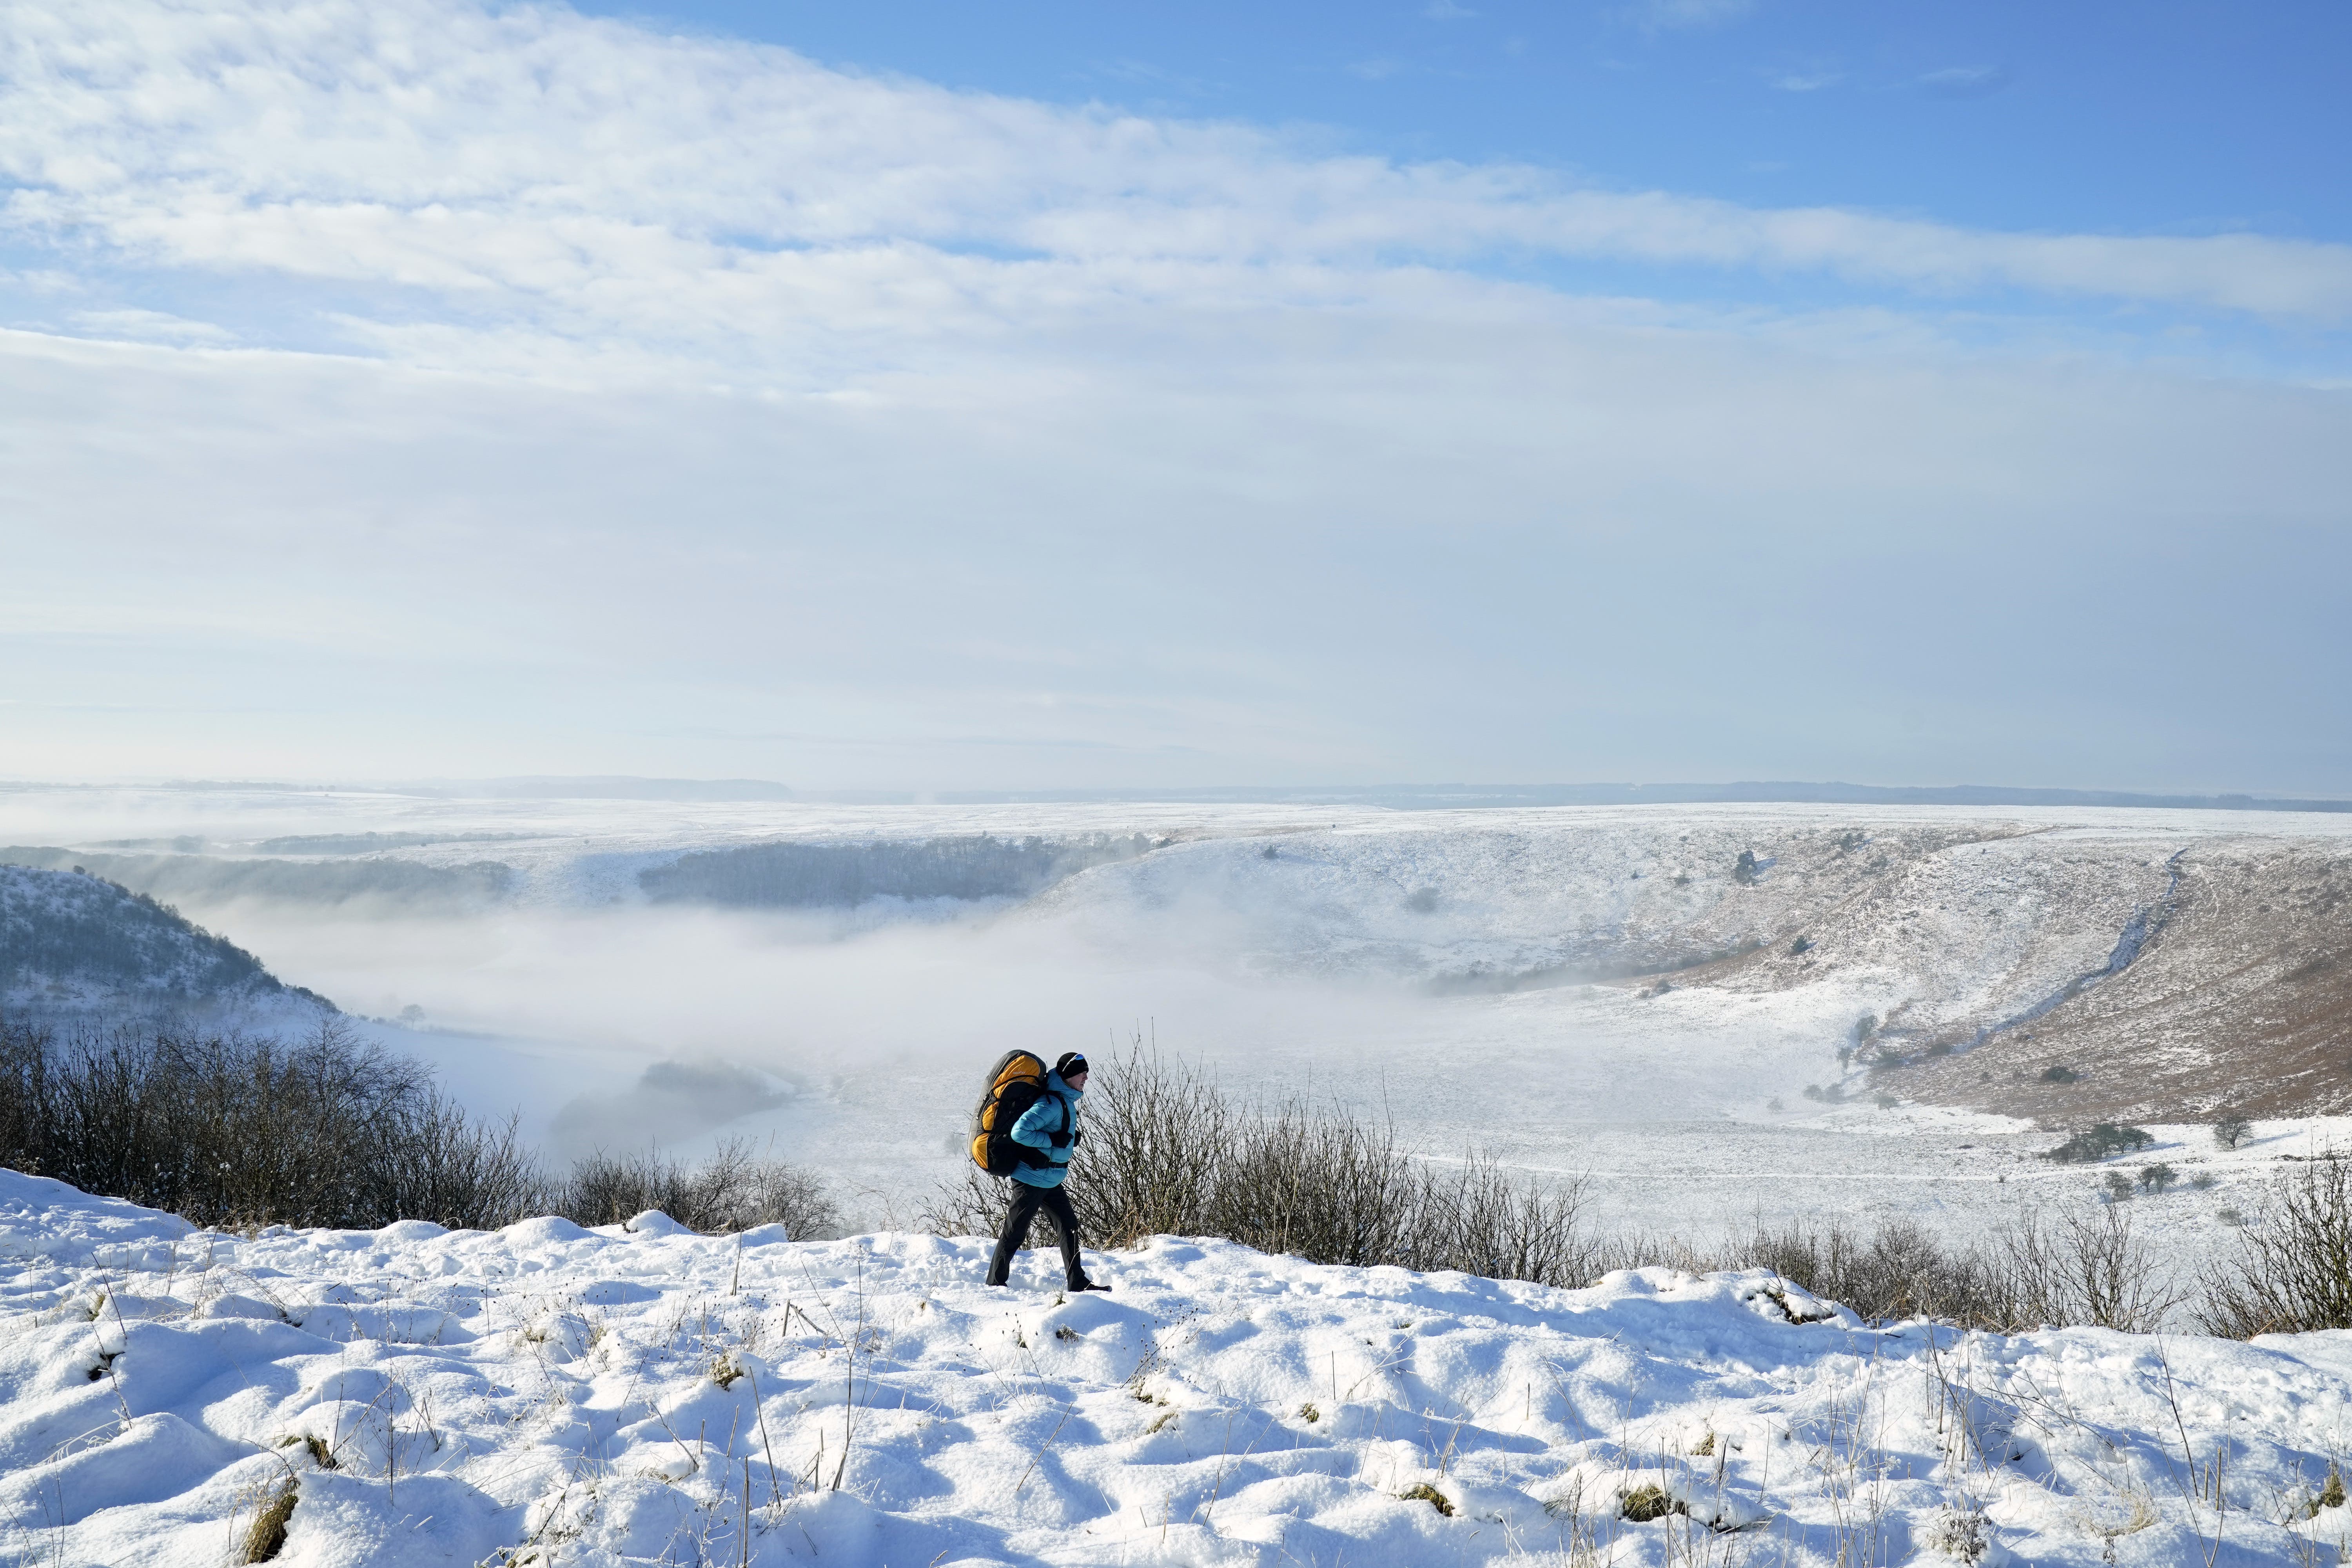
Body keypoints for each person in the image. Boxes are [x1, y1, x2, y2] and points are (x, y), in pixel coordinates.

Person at [985, 1051, 1108, 1291]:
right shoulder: (1050, 1104)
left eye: (1086, 1073)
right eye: (1081, 1073)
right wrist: (1054, 1140)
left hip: (1049, 1178)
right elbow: (1020, 1132)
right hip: (1031, 1178)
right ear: (1068, 1076)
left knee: (1069, 1226)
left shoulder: (1064, 1101)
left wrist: (1068, 1138)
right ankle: (995, 1283)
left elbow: (1056, 1133)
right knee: (1015, 1232)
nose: (1086, 1077)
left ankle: (1078, 1281)